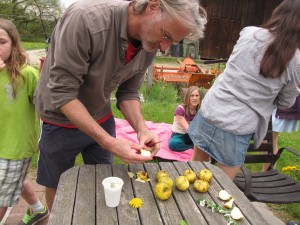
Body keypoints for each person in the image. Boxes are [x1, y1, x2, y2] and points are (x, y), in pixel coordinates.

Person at [34, 0, 207, 212]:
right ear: (153, 7)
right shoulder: (85, 19)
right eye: (166, 36)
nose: (164, 48)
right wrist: (110, 142)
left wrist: (142, 130)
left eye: (172, 41)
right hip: (59, 118)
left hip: (100, 114)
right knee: (57, 184)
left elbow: (128, 93)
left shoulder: (148, 42)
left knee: (106, 178)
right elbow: (63, 93)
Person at [187, 0, 300, 180]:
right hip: (237, 124)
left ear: (279, 13)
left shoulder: (249, 33)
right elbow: (286, 102)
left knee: (193, 173)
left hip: (211, 108)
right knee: (223, 187)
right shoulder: (295, 60)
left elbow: (235, 68)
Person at [0, 19, 48, 225]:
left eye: (1, 42)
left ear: (14, 44)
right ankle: (38, 210)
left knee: (2, 194)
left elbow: (46, 106)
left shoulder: (26, 74)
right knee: (16, 181)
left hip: (15, 146)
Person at [168, 86, 201, 152]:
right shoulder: (180, 109)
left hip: (192, 136)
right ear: (188, 97)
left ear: (200, 97)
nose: (195, 98)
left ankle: (197, 147)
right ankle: (192, 148)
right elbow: (189, 130)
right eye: (192, 96)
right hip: (179, 134)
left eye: (197, 96)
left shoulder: (200, 110)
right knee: (173, 144)